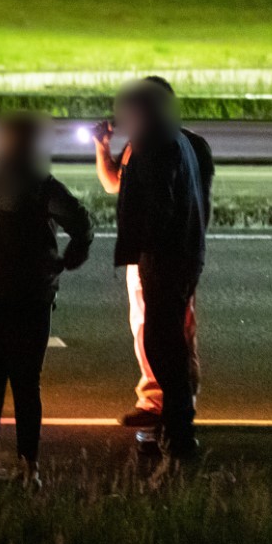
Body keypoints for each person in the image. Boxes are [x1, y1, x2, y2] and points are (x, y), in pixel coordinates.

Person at [0, 111, 94, 487]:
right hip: (28, 296)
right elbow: (81, 221)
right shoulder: (42, 186)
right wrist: (71, 256)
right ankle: (29, 469)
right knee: (25, 381)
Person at [93, 77, 212, 432]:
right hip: (186, 252)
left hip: (161, 256)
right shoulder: (188, 143)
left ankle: (166, 409)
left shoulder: (155, 146)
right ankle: (177, 403)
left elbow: (156, 202)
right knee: (175, 331)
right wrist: (104, 148)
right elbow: (117, 182)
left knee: (158, 334)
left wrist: (142, 246)